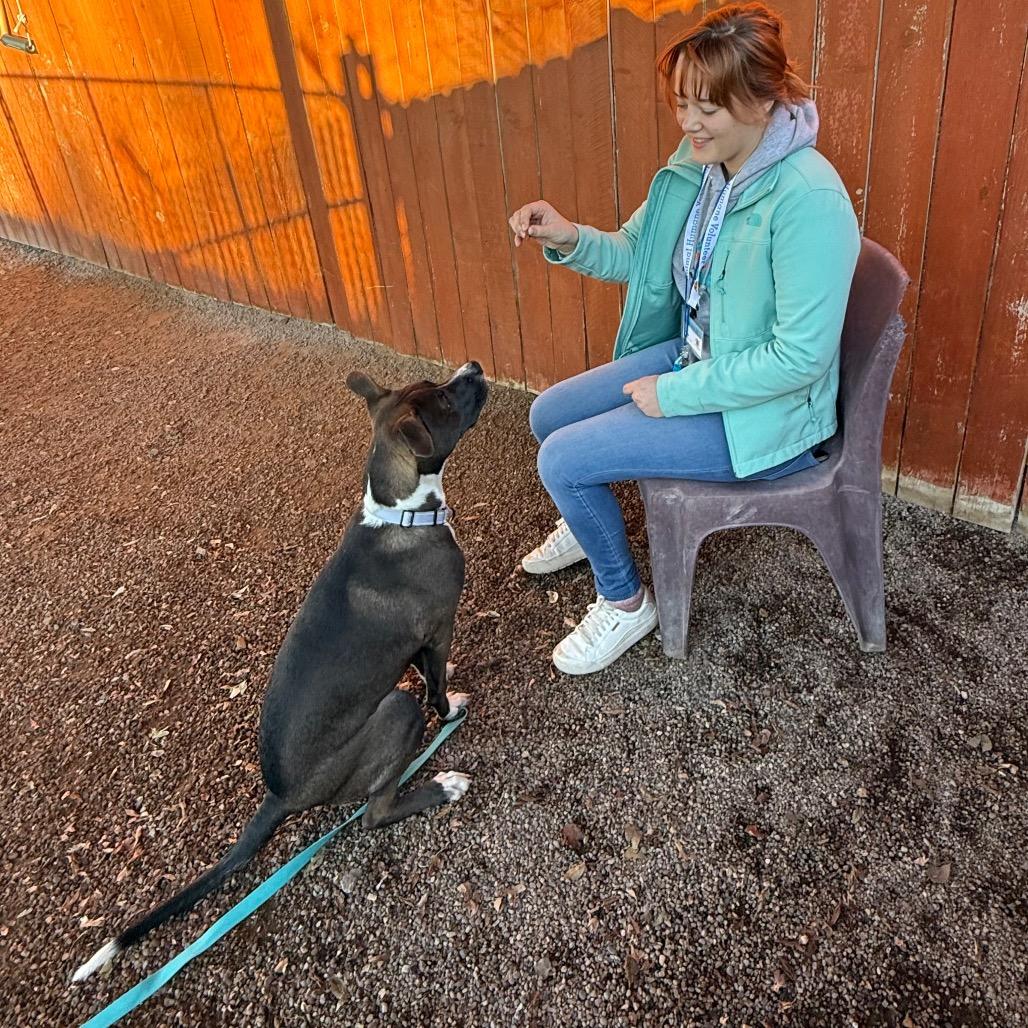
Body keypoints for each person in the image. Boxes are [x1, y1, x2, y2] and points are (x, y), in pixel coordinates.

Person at [507, 2, 860, 676]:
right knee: (546, 414)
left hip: (765, 418)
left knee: (562, 459)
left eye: (708, 107)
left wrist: (675, 392)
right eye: (682, 103)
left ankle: (625, 602)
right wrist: (568, 236)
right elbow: (637, 252)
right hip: (701, 354)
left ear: (762, 102)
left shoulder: (806, 198)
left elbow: (801, 357)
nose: (689, 122)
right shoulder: (703, 167)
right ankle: (587, 517)